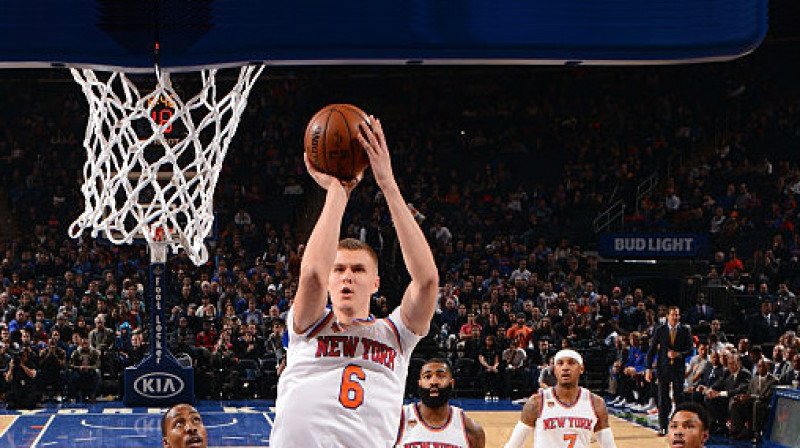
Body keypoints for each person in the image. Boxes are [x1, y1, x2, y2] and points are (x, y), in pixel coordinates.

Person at [270, 116, 439, 447]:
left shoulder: (397, 336)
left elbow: (427, 280)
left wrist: (387, 183)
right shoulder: (307, 326)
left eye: (358, 270)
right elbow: (313, 275)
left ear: (375, 283)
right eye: (340, 269)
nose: (347, 275)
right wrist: (338, 191)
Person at [503, 349, 617, 448]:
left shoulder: (595, 403)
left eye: (571, 363)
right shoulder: (537, 402)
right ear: (554, 369)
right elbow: (513, 445)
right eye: (560, 363)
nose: (565, 368)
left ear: (581, 368)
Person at [396, 359, 485, 448]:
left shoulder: (472, 430)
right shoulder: (397, 420)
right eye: (427, 376)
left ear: (452, 383)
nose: (434, 382)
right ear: (420, 383)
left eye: (441, 376)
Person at [645, 306, 694, 436]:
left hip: (678, 369)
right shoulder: (660, 330)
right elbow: (652, 350)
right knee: (663, 398)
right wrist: (648, 368)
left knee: (679, 397)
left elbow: (690, 349)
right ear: (667, 316)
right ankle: (662, 426)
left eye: (677, 315)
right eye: (673, 315)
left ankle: (679, 426)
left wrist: (678, 354)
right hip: (663, 368)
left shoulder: (685, 330)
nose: (675, 317)